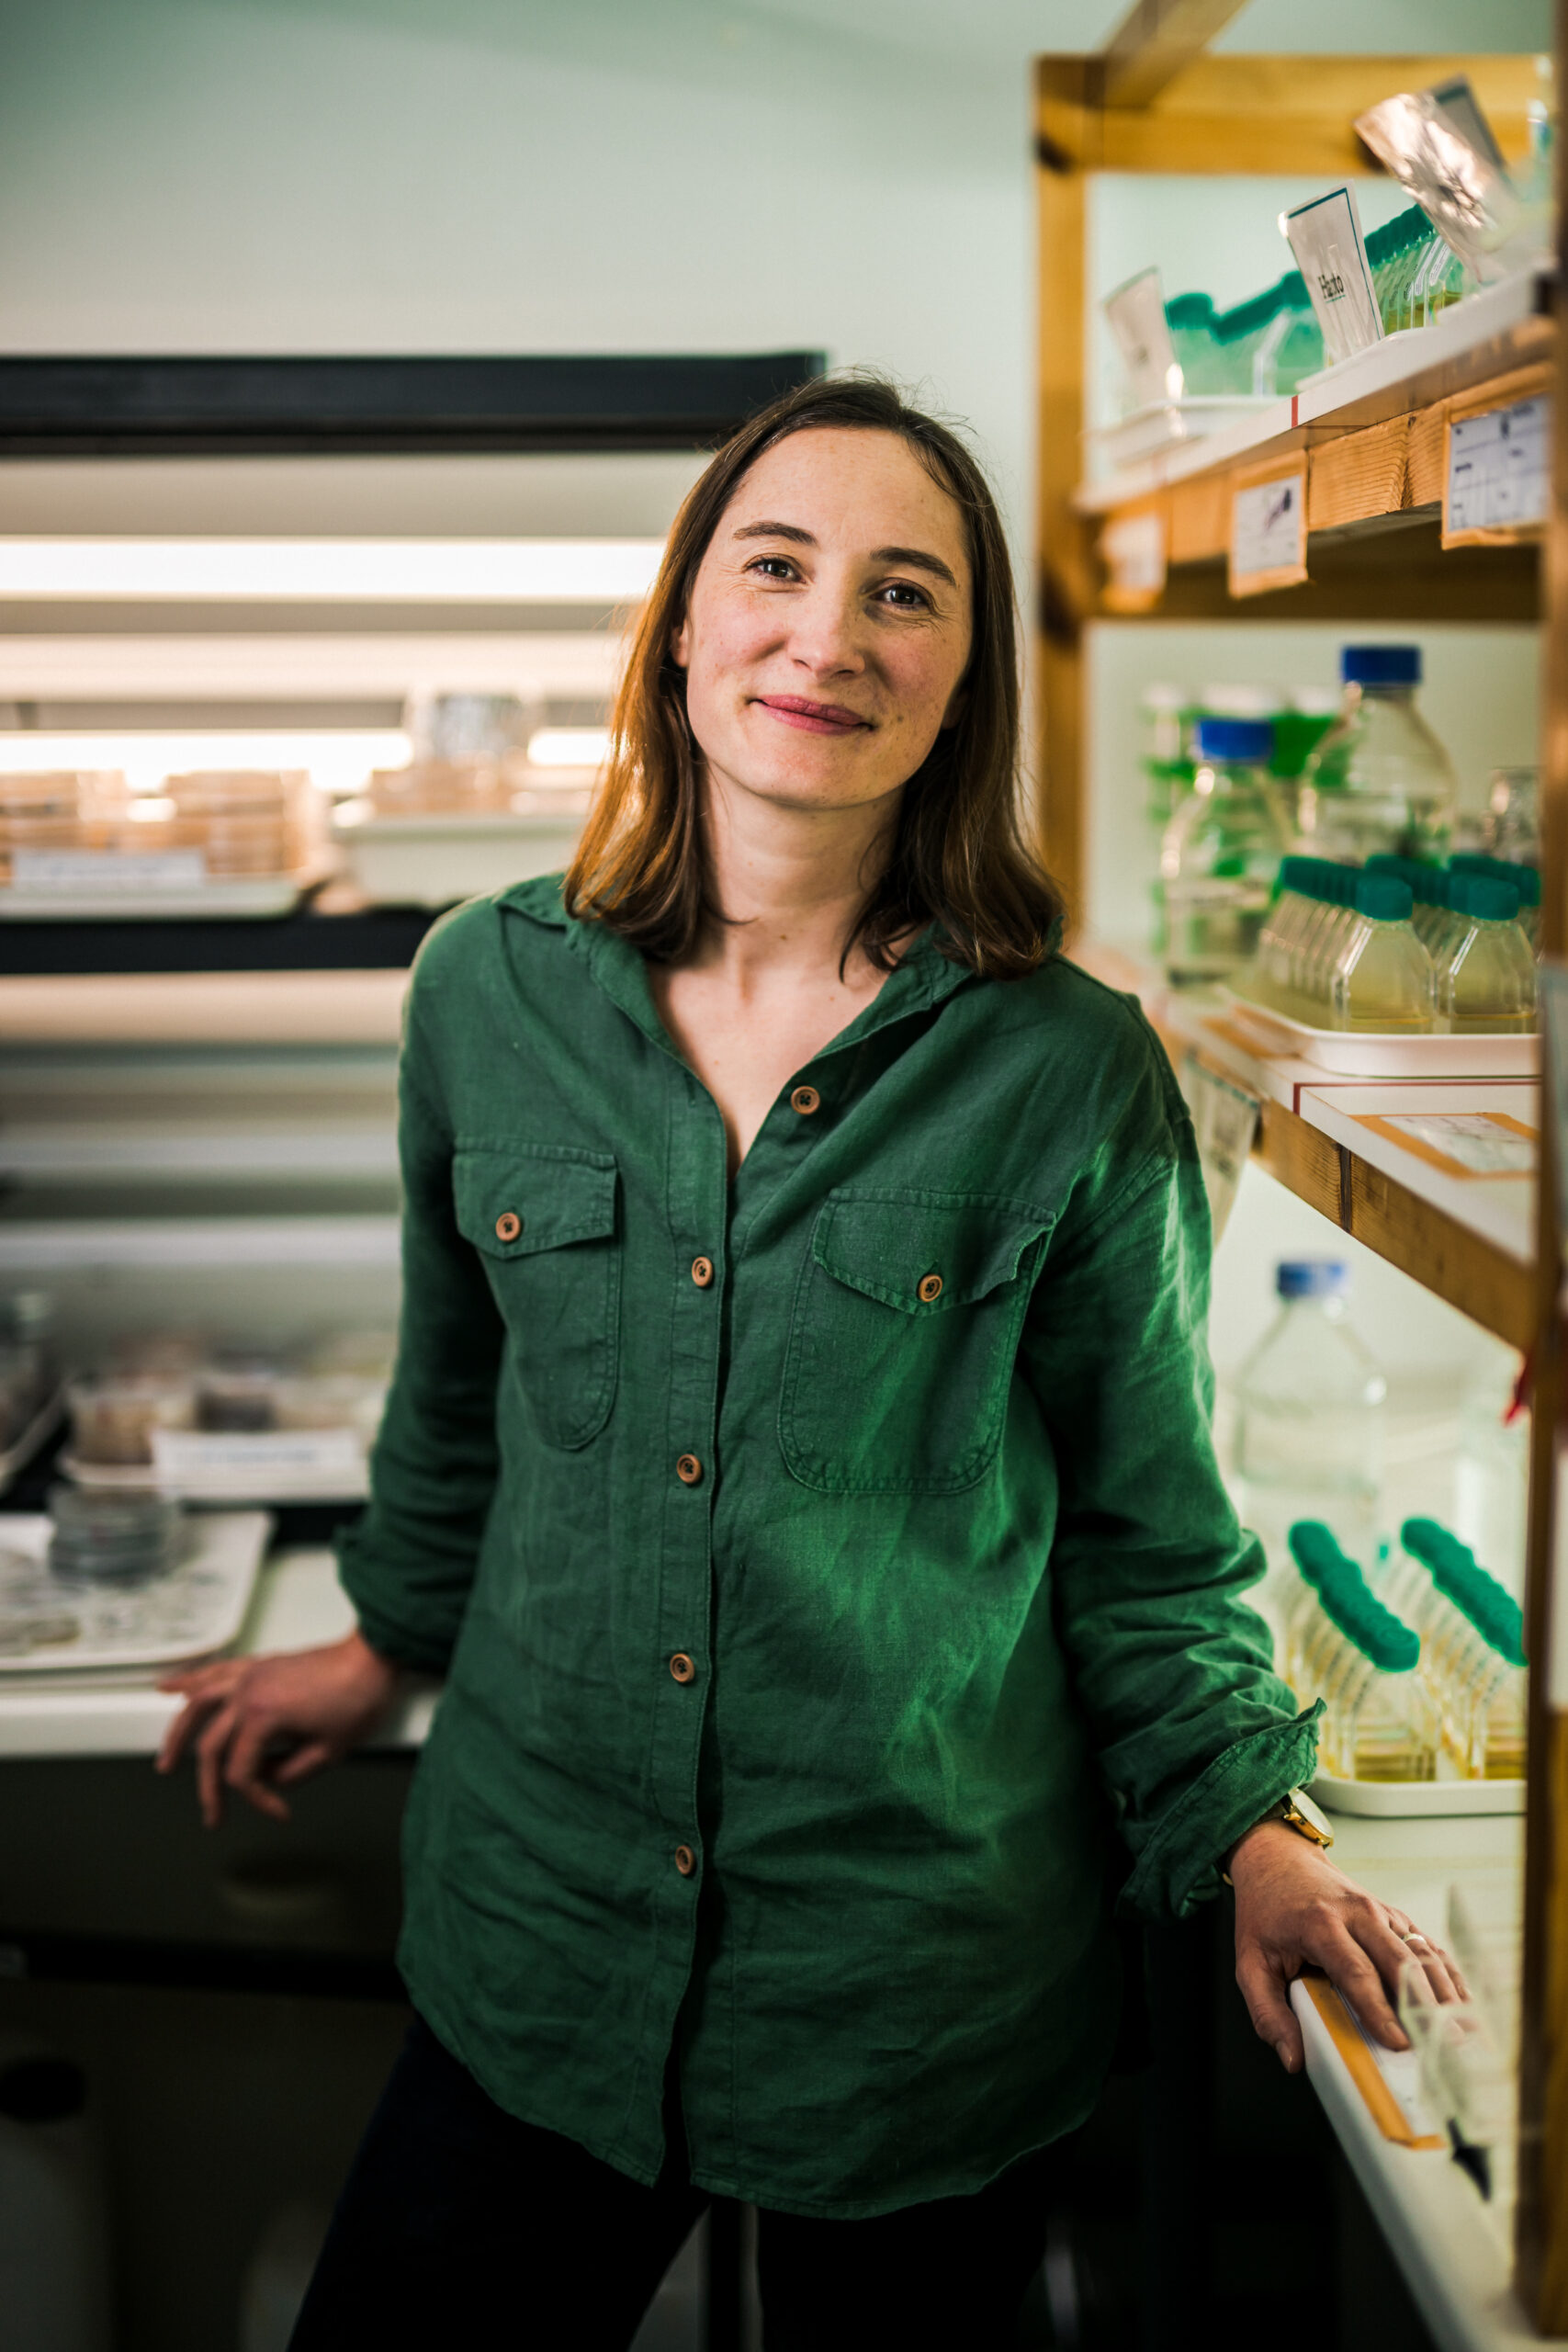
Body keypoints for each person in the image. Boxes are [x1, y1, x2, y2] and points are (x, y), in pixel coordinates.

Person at [158, 373, 1458, 2348]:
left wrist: (1247, 1822)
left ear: (958, 685)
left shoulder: (1066, 1070)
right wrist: (382, 1635)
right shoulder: (478, 992)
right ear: (682, 617)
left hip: (913, 1982)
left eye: (903, 593)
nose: (826, 632)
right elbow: (450, 1404)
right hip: (540, 1934)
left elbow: (1141, 1527)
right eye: (775, 564)